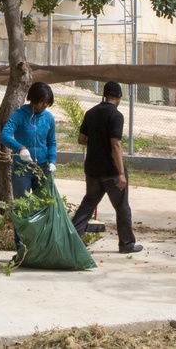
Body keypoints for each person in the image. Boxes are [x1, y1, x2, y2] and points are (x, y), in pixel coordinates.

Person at [70, 82, 142, 254]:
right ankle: (126, 244)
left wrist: (95, 142)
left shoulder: (91, 113)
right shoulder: (116, 116)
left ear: (104, 96)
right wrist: (121, 173)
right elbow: (115, 144)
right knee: (122, 206)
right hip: (111, 171)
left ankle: (70, 240)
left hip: (93, 170)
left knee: (88, 204)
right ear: (118, 98)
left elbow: (81, 139)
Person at [0, 81, 56, 251]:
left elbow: (51, 142)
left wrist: (52, 160)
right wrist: (20, 148)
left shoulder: (48, 118)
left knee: (42, 207)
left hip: (42, 169)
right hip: (22, 170)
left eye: (48, 102)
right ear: (33, 99)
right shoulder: (20, 115)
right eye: (42, 101)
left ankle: (39, 245)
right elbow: (4, 135)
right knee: (22, 207)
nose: (45, 105)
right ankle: (21, 246)